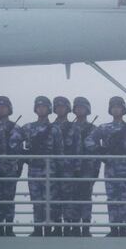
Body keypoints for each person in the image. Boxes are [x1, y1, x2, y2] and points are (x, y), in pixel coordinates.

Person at [86, 96, 126, 237]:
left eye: (119, 106)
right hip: (111, 168)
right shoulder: (103, 128)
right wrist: (101, 151)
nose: (116, 109)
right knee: (112, 198)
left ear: (123, 109)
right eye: (113, 106)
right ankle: (115, 228)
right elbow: (89, 141)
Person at [15, 96, 63, 237]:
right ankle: (37, 228)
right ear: (35, 109)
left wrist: (60, 169)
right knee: (36, 200)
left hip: (50, 169)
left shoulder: (55, 129)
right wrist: (24, 155)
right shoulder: (28, 128)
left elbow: (60, 151)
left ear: (49, 109)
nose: (41, 109)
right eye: (39, 106)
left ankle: (48, 228)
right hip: (34, 168)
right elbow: (13, 141)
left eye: (44, 107)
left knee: (51, 200)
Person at [64, 96, 99, 237]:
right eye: (77, 107)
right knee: (70, 198)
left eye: (82, 107)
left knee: (85, 198)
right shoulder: (68, 128)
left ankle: (85, 226)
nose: (79, 110)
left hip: (87, 169)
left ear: (87, 109)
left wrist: (96, 170)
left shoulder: (94, 129)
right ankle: (72, 225)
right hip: (70, 169)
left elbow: (96, 151)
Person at [0, 96, 21, 236]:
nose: (2, 109)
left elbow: (18, 149)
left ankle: (8, 227)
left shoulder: (15, 128)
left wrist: (17, 167)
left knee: (8, 199)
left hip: (9, 170)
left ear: (9, 109)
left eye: (4, 107)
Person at [51, 95, 73, 236]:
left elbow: (77, 150)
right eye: (57, 106)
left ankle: (69, 226)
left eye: (63, 106)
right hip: (51, 169)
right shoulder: (48, 128)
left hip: (68, 169)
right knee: (53, 198)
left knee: (68, 198)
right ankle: (56, 226)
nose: (60, 109)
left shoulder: (73, 128)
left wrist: (76, 168)